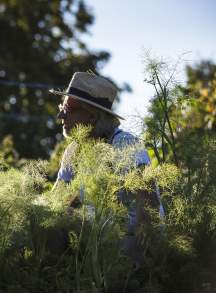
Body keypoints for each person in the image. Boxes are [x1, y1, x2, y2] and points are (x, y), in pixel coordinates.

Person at [49, 72, 165, 267]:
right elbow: (56, 200)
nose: (60, 115)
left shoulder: (124, 144)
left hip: (127, 252)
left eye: (68, 108)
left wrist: (142, 267)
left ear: (93, 115)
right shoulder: (73, 150)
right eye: (62, 107)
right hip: (92, 248)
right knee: (47, 220)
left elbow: (148, 205)